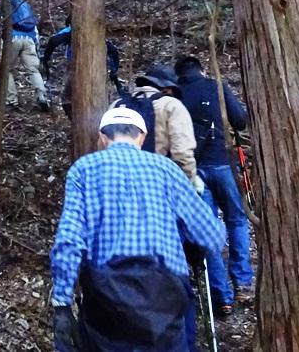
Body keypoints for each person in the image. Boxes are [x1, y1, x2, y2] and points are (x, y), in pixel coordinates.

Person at [51, 108, 226, 352]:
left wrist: (62, 301)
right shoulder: (165, 169)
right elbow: (212, 235)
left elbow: (70, 239)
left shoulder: (83, 170)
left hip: (105, 298)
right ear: (142, 137)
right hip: (164, 296)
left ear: (103, 137)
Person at [174, 55, 254, 316]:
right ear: (201, 69)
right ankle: (242, 282)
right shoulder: (215, 87)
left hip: (194, 170)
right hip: (223, 162)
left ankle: (222, 296)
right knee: (237, 220)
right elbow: (240, 120)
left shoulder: (176, 96)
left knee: (208, 229)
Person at [110, 65, 203, 194]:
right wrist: (188, 183)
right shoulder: (171, 105)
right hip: (158, 185)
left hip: (118, 185)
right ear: (168, 89)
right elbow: (182, 153)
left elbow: (103, 145)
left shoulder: (117, 105)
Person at [42, 17, 120, 119]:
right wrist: (114, 70)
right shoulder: (96, 32)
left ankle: (76, 121)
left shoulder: (71, 32)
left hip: (76, 66)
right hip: (98, 67)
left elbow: (54, 40)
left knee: (67, 97)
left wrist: (46, 58)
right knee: (98, 96)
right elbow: (113, 51)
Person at [6, 0, 48, 110]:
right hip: (29, 40)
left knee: (5, 70)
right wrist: (37, 46)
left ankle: (11, 99)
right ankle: (42, 96)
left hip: (13, 38)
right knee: (33, 70)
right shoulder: (27, 11)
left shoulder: (7, 8)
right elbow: (35, 31)